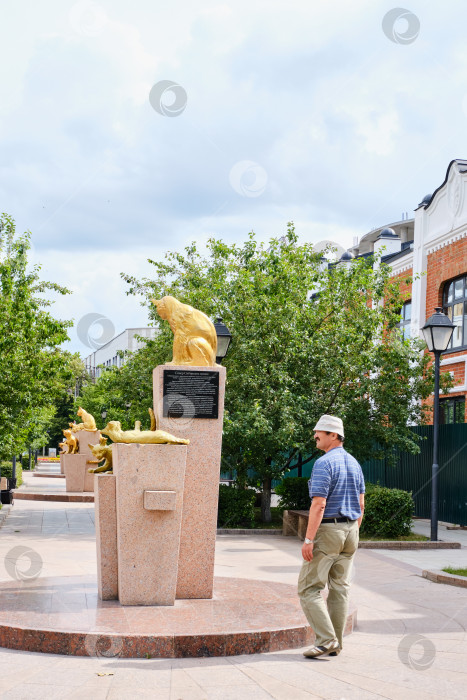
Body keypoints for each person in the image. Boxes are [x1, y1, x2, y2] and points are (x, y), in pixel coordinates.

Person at [298, 414, 365, 659]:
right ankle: (336, 644)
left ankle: (326, 640)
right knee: (339, 589)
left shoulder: (324, 463)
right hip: (350, 530)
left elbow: (319, 504)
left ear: (333, 435)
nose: (315, 435)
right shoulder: (354, 463)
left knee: (308, 589)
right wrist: (353, 528)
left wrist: (308, 539)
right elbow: (361, 502)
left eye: (320, 432)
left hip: (329, 531)